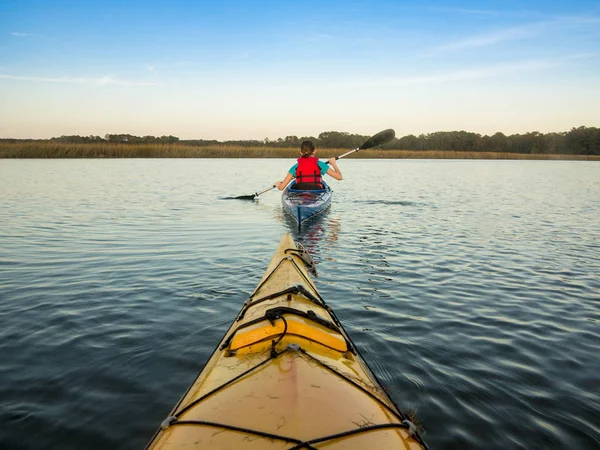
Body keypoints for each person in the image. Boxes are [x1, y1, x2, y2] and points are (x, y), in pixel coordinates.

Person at [274, 140, 342, 191]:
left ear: (300, 152)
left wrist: (278, 184)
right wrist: (334, 164)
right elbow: (339, 177)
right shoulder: (320, 164)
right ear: (314, 151)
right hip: (316, 191)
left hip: (299, 192)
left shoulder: (295, 167)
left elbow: (281, 187)